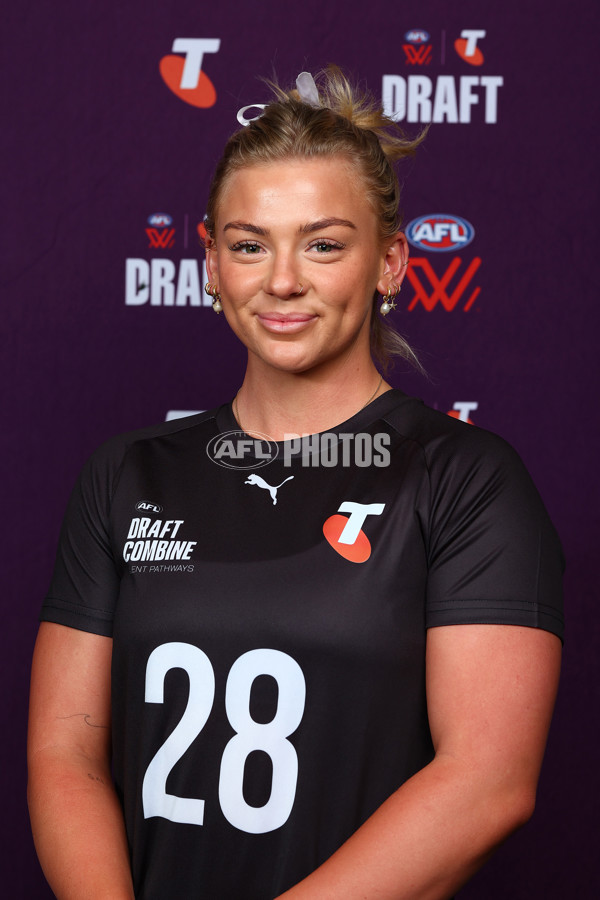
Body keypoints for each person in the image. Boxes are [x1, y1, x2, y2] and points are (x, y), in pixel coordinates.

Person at [28, 68, 563, 900]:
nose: (282, 280)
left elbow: (487, 783)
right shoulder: (125, 474)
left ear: (390, 263)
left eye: (323, 244)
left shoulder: (465, 481)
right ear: (211, 261)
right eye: (250, 245)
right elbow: (65, 755)